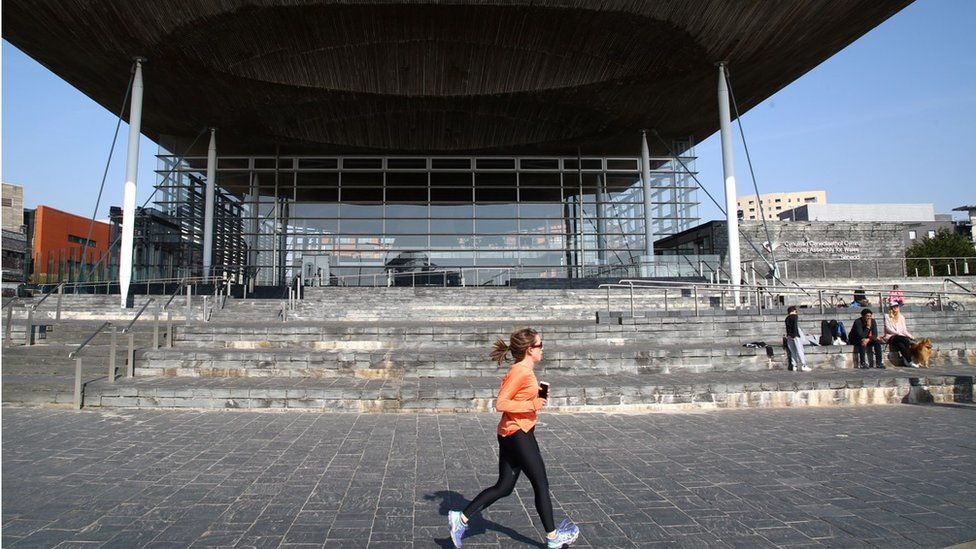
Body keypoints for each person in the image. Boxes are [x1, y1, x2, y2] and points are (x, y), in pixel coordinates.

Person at [448, 328, 579, 549]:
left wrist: (537, 395)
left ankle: (460, 519)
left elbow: (517, 397)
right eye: (540, 345)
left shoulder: (525, 371)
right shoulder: (522, 372)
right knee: (541, 484)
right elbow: (501, 403)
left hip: (512, 433)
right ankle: (553, 537)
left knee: (504, 487)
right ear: (530, 350)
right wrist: (533, 404)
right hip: (519, 435)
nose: (543, 349)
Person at [883, 303, 919, 367]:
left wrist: (911, 336)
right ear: (891, 308)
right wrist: (898, 333)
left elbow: (904, 330)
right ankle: (910, 361)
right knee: (905, 339)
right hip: (891, 336)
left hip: (901, 338)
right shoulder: (887, 316)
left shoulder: (901, 317)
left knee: (901, 345)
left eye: (896, 306)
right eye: (893, 306)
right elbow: (888, 328)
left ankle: (906, 360)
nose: (895, 307)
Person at [784, 306, 809, 371]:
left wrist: (789, 335)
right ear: (793, 311)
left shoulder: (786, 318)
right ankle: (804, 365)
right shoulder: (794, 317)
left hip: (789, 336)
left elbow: (788, 329)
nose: (796, 313)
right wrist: (794, 335)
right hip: (795, 336)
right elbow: (794, 326)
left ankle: (794, 366)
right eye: (796, 311)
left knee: (793, 351)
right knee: (799, 350)